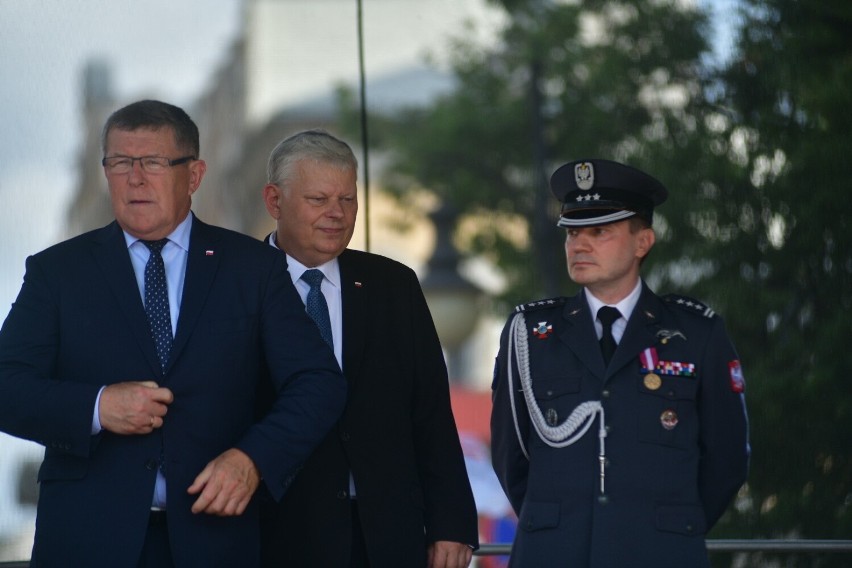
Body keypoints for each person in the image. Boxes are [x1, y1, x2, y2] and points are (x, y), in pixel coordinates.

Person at [0, 100, 347, 568]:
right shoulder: (57, 272)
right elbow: (7, 386)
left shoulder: (252, 269)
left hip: (216, 541)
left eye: (154, 163)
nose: (135, 178)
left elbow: (319, 382)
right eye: (120, 163)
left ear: (195, 175)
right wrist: (98, 406)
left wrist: (253, 461)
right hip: (87, 542)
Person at [490, 159, 749, 567]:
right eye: (572, 232)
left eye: (599, 232)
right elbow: (511, 454)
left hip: (658, 554)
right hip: (554, 554)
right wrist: (558, 523)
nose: (579, 244)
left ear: (642, 242)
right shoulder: (530, 333)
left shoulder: (697, 334)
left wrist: (670, 525)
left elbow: (726, 459)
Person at [257, 129, 479, 568]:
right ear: (274, 201)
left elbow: (430, 410)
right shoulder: (237, 283)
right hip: (274, 534)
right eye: (318, 200)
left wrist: (451, 521)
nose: (336, 214)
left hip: (384, 536)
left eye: (348, 200)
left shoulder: (392, 285)